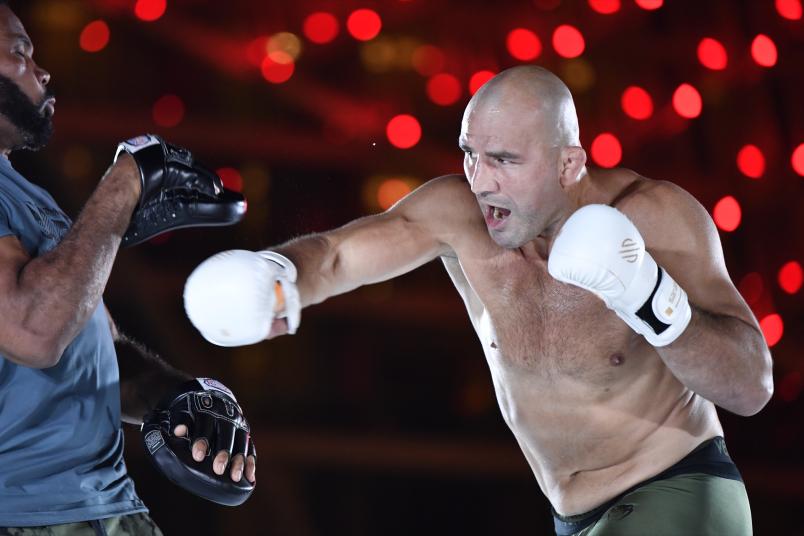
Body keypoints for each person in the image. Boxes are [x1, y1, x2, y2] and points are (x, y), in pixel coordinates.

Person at [185, 64, 774, 535]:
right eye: (470, 153)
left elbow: (751, 387)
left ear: (570, 163)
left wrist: (650, 298)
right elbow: (337, 256)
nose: (481, 180)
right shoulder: (457, 216)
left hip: (679, 492)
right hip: (572, 516)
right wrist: (279, 278)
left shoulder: (652, 216)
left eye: (504, 161)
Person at [0, 3, 255, 534]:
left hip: (106, 507)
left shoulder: (26, 194)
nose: (42, 72)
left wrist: (183, 396)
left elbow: (91, 347)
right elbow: (32, 331)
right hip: (26, 515)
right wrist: (126, 182)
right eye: (19, 52)